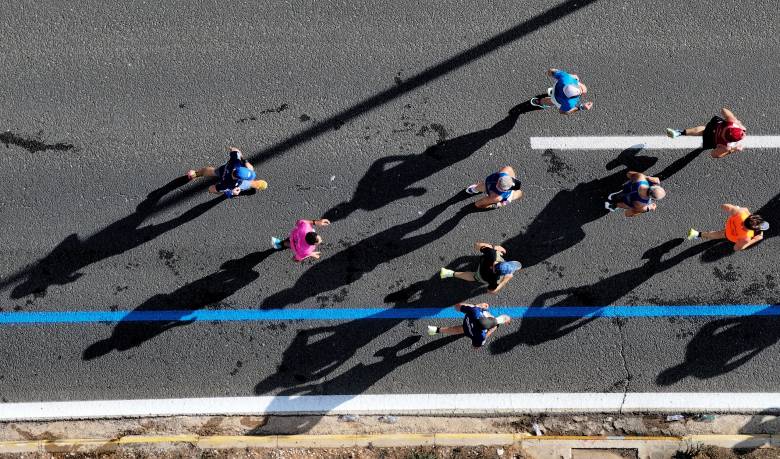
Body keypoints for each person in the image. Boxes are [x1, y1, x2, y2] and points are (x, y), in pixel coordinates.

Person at [440, 242, 521, 294]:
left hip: (483, 262)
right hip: (482, 276)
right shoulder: (495, 280)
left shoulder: (492, 254)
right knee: (474, 277)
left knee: (475, 274)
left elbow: (476, 245)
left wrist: (494, 247)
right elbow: (490, 291)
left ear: (502, 262)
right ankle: (448, 273)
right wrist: (505, 280)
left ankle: (449, 273)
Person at [666, 107, 746, 158]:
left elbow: (723, 110)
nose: (743, 133)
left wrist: (734, 119)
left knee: (703, 130)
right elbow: (714, 155)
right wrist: (733, 150)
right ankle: (681, 134)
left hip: (713, 127)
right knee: (704, 134)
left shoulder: (731, 122)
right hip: (711, 140)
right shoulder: (726, 146)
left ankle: (680, 133)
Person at [186, 147, 268, 197]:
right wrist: (230, 192)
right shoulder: (231, 185)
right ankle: (257, 185)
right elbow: (211, 189)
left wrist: (243, 160)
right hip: (232, 184)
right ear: (240, 179)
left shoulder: (236, 162)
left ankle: (195, 174)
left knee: (211, 171)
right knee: (249, 184)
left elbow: (234, 150)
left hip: (222, 170)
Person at [426, 303, 511, 349]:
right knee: (458, 330)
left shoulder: (475, 312)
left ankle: (435, 329)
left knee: (463, 311)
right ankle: (436, 330)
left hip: (469, 320)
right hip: (469, 332)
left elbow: (458, 306)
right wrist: (492, 330)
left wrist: (479, 306)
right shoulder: (481, 336)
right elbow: (475, 346)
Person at [687, 204, 769, 251]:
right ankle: (695, 234)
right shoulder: (746, 238)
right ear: (753, 229)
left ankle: (697, 234)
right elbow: (736, 248)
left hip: (729, 226)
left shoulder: (740, 213)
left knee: (716, 233)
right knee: (718, 235)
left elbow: (724, 206)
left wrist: (739, 209)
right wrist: (755, 239)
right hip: (730, 235)